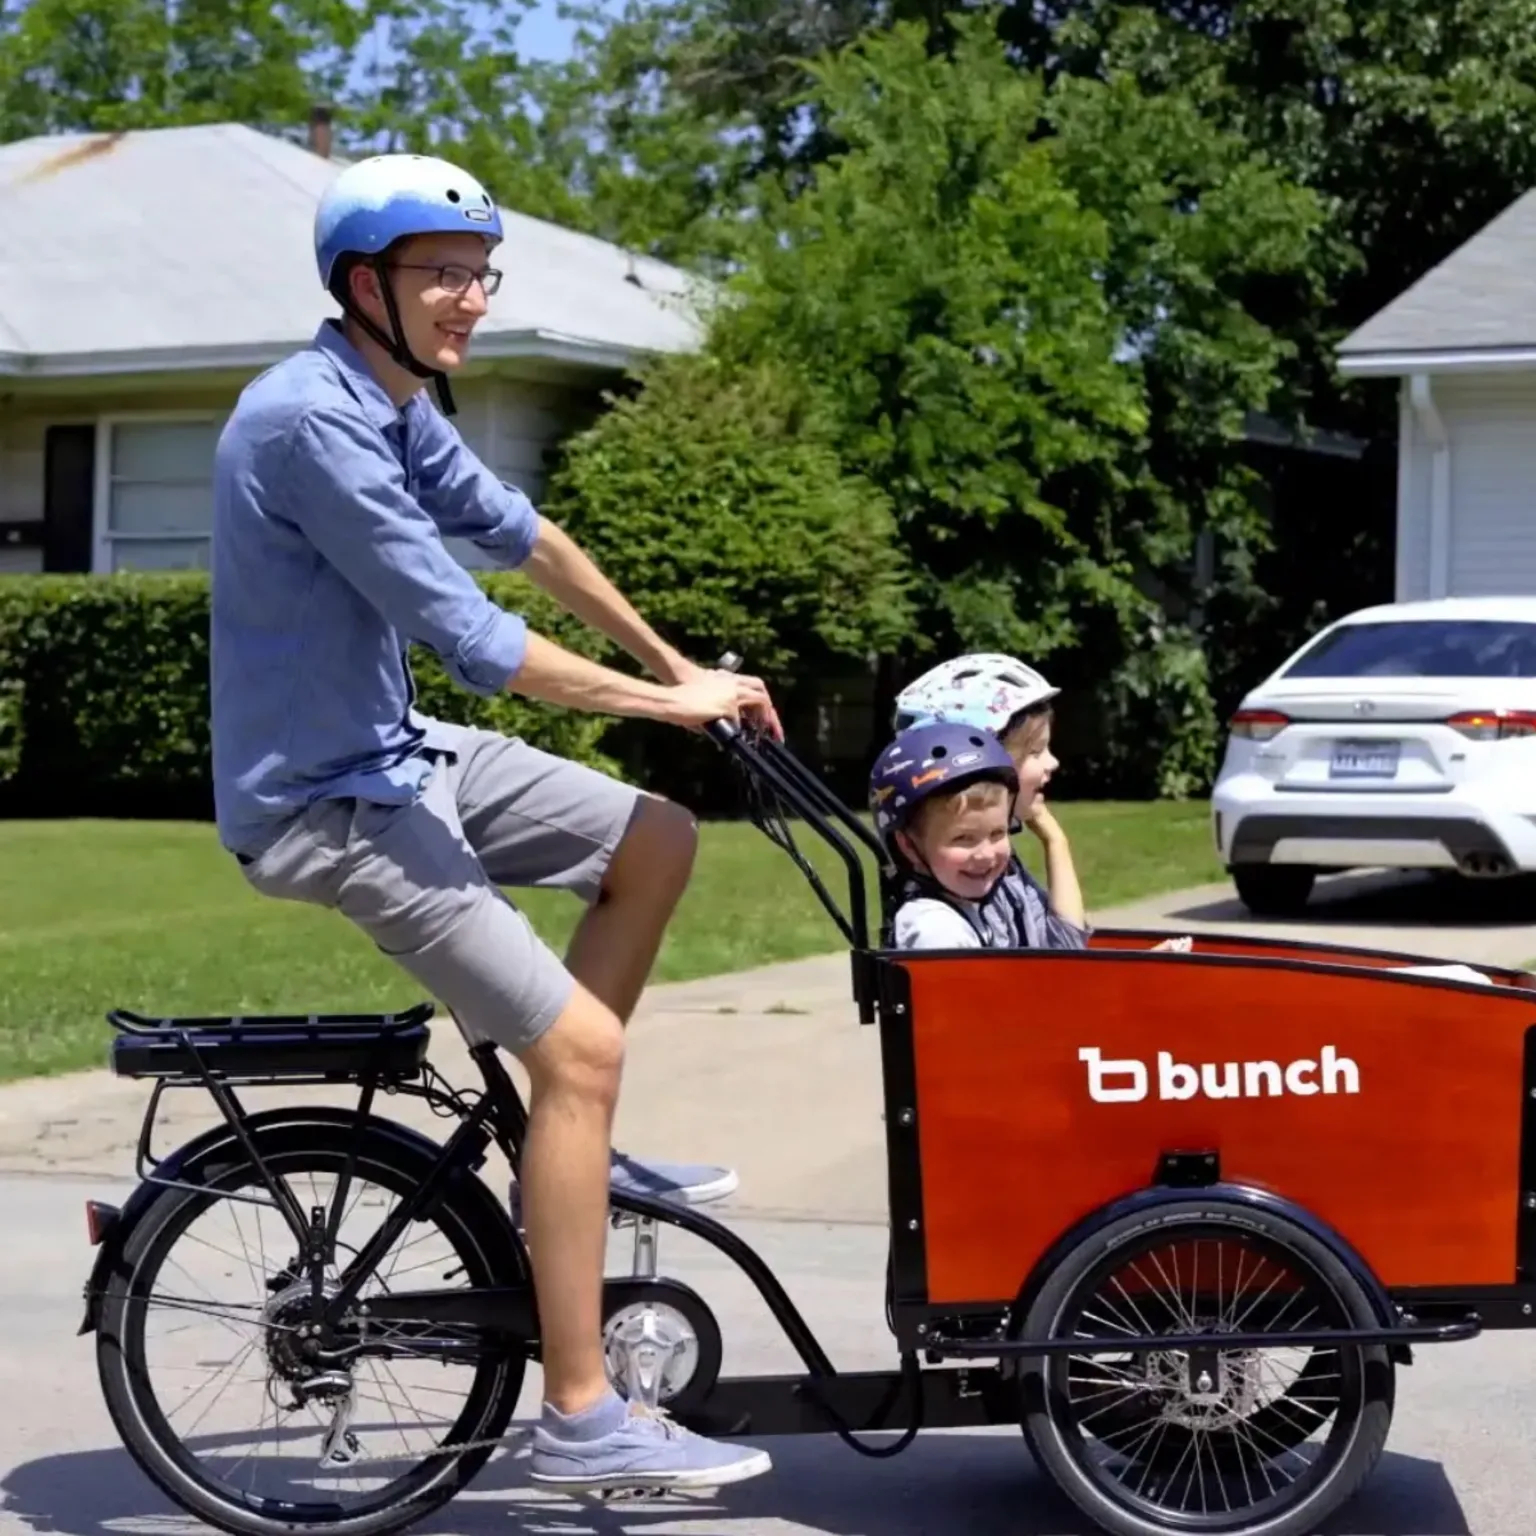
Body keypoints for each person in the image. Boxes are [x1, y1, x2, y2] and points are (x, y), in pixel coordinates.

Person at [209, 151, 777, 1492]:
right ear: (366, 286)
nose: (471, 299)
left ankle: (566, 1144)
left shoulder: (391, 395)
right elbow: (473, 636)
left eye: (479, 273)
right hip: (327, 801)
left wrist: (679, 662)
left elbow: (528, 540)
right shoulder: (310, 422)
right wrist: (667, 705)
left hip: (405, 754)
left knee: (655, 839)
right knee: (581, 1049)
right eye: (442, 275)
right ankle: (581, 1417)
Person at [888, 653, 1090, 943]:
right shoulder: (941, 924)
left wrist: (1054, 839)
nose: (1053, 762)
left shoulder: (1000, 874)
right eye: (1034, 752)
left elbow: (1065, 951)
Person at [869, 721, 1091, 950]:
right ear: (908, 845)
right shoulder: (936, 929)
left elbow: (1067, 953)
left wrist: (1056, 839)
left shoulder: (990, 903)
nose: (985, 854)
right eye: (963, 839)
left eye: (997, 833)